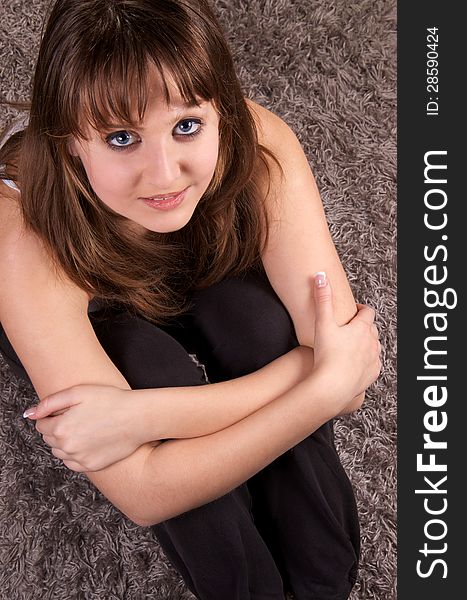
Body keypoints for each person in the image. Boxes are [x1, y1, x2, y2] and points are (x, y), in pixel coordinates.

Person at [0, 1, 381, 599]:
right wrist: (319, 384)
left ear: (221, 110)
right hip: (95, 301)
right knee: (151, 365)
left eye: (186, 127)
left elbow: (351, 376)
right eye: (122, 138)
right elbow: (143, 491)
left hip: (196, 268)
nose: (164, 174)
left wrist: (142, 420)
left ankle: (325, 583)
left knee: (255, 325)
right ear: (69, 142)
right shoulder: (19, 231)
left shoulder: (260, 145)